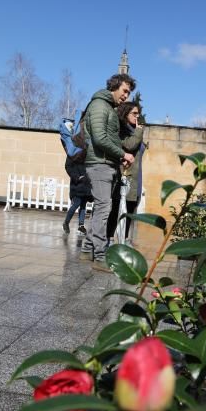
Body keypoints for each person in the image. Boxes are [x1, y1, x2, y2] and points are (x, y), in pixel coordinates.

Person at [79, 73, 136, 273]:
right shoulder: (99, 106)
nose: (126, 96)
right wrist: (123, 153)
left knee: (101, 209)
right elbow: (100, 138)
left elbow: (107, 139)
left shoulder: (108, 107)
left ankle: (87, 250)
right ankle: (100, 257)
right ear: (114, 86)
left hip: (107, 163)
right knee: (104, 209)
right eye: (125, 91)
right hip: (99, 164)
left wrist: (118, 157)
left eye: (128, 92)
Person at [107, 101, 145, 244]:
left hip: (136, 176)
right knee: (116, 210)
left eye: (138, 113)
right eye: (134, 113)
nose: (137, 116)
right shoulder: (121, 131)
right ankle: (108, 239)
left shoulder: (133, 131)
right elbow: (130, 145)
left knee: (130, 210)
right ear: (125, 113)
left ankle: (125, 240)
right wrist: (139, 131)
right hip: (124, 177)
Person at [62, 157, 92, 235]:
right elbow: (67, 166)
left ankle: (81, 226)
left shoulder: (88, 151)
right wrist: (77, 177)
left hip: (86, 182)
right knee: (76, 203)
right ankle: (66, 222)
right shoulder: (73, 152)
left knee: (83, 205)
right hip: (77, 184)